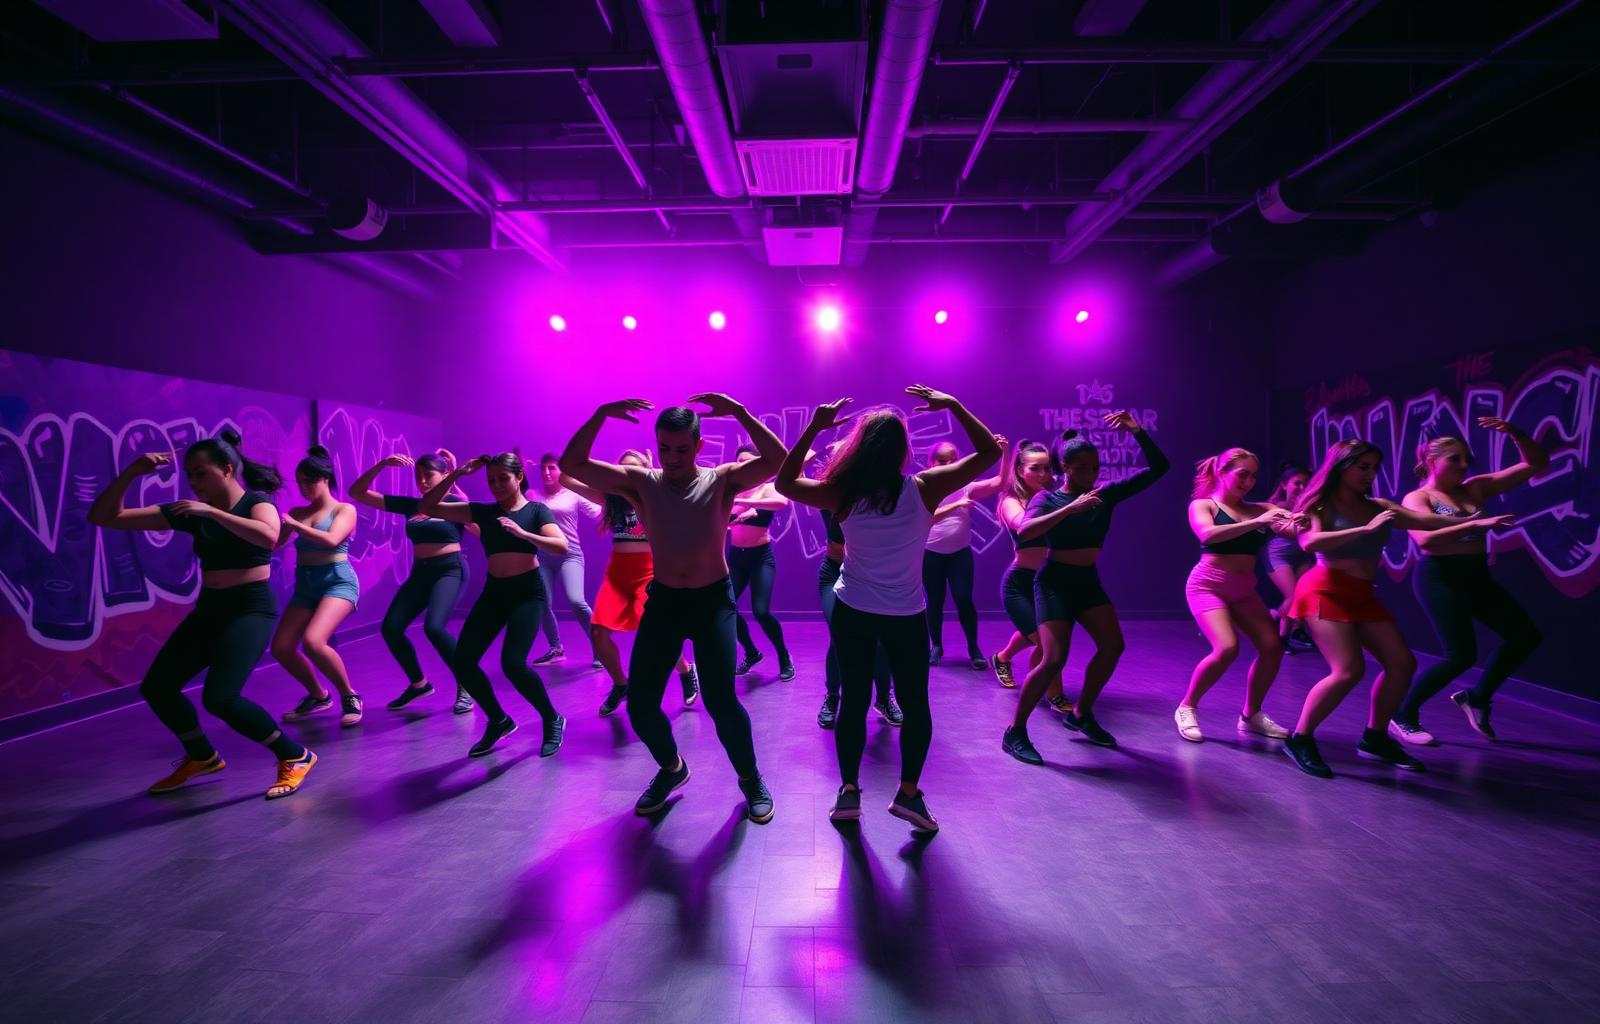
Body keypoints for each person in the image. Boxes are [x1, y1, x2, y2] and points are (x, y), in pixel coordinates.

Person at [776, 387, 1001, 833]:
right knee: (916, 705)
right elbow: (991, 451)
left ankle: (850, 791)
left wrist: (814, 429)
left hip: (853, 608)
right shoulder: (925, 487)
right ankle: (909, 794)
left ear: (860, 448)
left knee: (854, 701)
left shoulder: (841, 493)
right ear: (902, 451)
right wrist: (955, 405)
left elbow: (784, 484)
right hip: (905, 614)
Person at [561, 394, 784, 823]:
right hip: (663, 602)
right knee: (641, 706)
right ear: (657, 444)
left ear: (698, 446)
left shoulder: (721, 480)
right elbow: (572, 464)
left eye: (683, 448)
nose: (673, 457)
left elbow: (776, 459)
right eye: (665, 448)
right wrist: (599, 414)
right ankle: (672, 768)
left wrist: (740, 412)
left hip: (712, 602)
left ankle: (751, 778)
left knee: (721, 703)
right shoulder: (642, 482)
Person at [87, 431, 316, 799]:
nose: (193, 483)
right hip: (211, 609)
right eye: (189, 475)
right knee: (158, 687)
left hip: (250, 609)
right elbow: (104, 516)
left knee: (221, 698)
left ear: (227, 469)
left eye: (200, 474)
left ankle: (295, 755)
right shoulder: (192, 513)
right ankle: (202, 756)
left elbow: (267, 537)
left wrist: (210, 511)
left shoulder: (257, 503)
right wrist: (132, 472)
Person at [1282, 439, 1507, 778]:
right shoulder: (1321, 505)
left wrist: (1473, 524)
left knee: (1402, 664)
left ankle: (1374, 738)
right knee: (1347, 671)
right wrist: (1365, 529)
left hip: (1362, 593)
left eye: (1374, 468)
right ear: (1342, 466)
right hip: (1324, 590)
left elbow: (1426, 521)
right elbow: (1309, 542)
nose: (1370, 474)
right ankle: (1301, 739)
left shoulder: (1379, 506)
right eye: (1363, 467)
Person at [1002, 412, 1169, 764]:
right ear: (1064, 467)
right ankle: (1015, 731)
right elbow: (1026, 531)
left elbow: (1159, 468)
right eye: (1082, 468)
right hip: (1054, 583)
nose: (1092, 474)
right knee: (1053, 659)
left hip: (1087, 581)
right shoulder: (1047, 500)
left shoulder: (1105, 494)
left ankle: (1081, 714)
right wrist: (1071, 508)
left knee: (1112, 646)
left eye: (1095, 467)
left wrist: (1138, 431)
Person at [1391, 418, 1545, 744]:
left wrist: (1516, 432)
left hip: (1476, 575)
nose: (1464, 465)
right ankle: (1403, 715)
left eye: (1466, 459)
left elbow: (1536, 463)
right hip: (1439, 577)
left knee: (1525, 636)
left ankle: (1476, 698)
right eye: (1455, 459)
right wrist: (1479, 524)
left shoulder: (1474, 488)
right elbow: (1426, 542)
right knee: (1460, 655)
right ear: (1432, 462)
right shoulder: (1418, 499)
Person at [420, 452, 569, 759]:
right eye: (491, 480)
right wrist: (457, 472)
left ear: (519, 478)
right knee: (463, 660)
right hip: (495, 592)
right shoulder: (483, 512)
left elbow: (561, 545)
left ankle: (553, 718)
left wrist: (523, 533)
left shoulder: (536, 511)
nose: (497, 485)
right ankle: (499, 720)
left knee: (513, 664)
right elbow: (428, 506)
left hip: (528, 593)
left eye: (503, 478)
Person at [1174, 448, 1299, 743]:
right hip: (1207, 586)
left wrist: (1302, 521)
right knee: (1227, 648)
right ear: (1221, 472)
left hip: (1243, 590)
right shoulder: (1203, 505)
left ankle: (1251, 715)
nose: (1249, 481)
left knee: (1272, 647)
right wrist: (1260, 522)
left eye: (1254, 476)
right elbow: (1208, 535)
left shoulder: (1262, 508)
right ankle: (1186, 706)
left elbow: (1293, 530)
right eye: (1242, 474)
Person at [563, 451, 699, 716]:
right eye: (622, 469)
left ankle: (685, 669)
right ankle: (621, 685)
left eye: (634, 469)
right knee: (599, 633)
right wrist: (590, 458)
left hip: (648, 573)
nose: (627, 474)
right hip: (617, 574)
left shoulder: (654, 497)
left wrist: (655, 469)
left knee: (657, 635)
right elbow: (567, 478)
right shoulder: (609, 498)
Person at [349, 449, 477, 715]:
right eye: (418, 476)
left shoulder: (455, 503)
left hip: (449, 571)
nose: (422, 481)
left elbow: (478, 529)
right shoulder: (412, 505)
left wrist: (456, 483)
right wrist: (381, 464)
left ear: (443, 475)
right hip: (420, 573)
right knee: (391, 628)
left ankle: (468, 683)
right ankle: (419, 684)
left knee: (434, 627)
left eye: (428, 475)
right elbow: (357, 492)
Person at [812, 446, 900, 730]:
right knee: (839, 635)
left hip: (871, 576)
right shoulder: (830, 493)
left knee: (881, 640)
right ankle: (832, 696)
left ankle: (884, 698)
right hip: (834, 573)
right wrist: (818, 436)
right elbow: (791, 477)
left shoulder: (882, 494)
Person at [274, 447, 363, 727]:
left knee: (313, 642)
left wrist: (296, 525)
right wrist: (285, 528)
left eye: (309, 481)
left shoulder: (344, 509)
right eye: (299, 482)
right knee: (282, 647)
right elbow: (277, 544)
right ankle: (318, 695)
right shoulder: (298, 512)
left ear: (325, 478)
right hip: (306, 584)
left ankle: (350, 696)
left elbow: (332, 540)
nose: (303, 487)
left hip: (337, 580)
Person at [988, 439, 1067, 713]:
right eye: (1036, 468)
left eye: (1048, 469)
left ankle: (1002, 657)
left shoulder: (1056, 497)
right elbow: (1023, 526)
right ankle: (1053, 695)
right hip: (1020, 584)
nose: (1044, 475)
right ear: (1020, 470)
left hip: (1049, 583)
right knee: (1047, 645)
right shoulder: (1012, 501)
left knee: (1036, 635)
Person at [923, 439, 1006, 669]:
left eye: (953, 461)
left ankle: (973, 647)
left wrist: (1004, 452)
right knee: (935, 601)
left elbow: (1000, 483)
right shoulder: (923, 485)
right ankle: (936, 646)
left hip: (959, 554)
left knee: (963, 598)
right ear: (932, 463)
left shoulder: (966, 485)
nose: (949, 465)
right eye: (942, 461)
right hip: (931, 554)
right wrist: (957, 505)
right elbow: (924, 518)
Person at [727, 445, 796, 680]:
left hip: (760, 558)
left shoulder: (766, 489)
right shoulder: (731, 489)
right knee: (727, 608)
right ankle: (751, 652)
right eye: (739, 461)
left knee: (761, 611)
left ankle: (784, 656)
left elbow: (782, 504)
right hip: (736, 558)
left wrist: (749, 505)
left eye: (748, 461)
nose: (742, 465)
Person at [531, 453, 601, 669]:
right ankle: (556, 648)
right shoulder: (533, 495)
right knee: (542, 602)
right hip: (543, 556)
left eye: (552, 468)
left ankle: (600, 649)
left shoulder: (573, 494)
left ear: (561, 471)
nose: (546, 472)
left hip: (570, 554)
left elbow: (599, 512)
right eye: (543, 468)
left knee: (576, 601)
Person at [1263, 464, 1317, 653]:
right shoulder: (1275, 507)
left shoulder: (1311, 506)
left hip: (1302, 555)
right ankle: (1282, 637)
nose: (1302, 488)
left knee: (1304, 594)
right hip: (1277, 555)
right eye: (1297, 483)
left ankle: (1289, 625)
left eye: (1307, 484)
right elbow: (1291, 531)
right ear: (1285, 485)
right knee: (1293, 595)